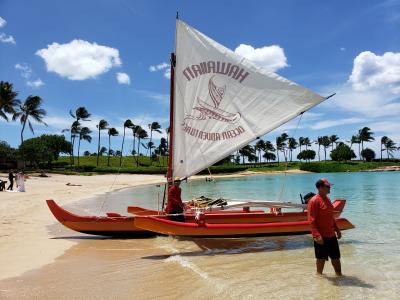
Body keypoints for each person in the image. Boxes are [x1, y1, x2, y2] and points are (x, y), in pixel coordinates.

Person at [307, 178, 342, 276]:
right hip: (321, 236)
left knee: (336, 257)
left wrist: (337, 230)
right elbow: (311, 220)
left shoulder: (328, 199)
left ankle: (339, 276)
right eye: (327, 186)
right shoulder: (314, 201)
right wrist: (316, 235)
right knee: (321, 258)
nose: (330, 187)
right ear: (320, 187)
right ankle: (319, 277)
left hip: (331, 235)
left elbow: (331, 217)